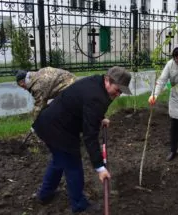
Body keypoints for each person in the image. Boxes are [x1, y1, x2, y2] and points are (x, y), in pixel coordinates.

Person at [32, 67, 132, 213]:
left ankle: (45, 194)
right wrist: (99, 167)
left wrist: (98, 118)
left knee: (59, 160)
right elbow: (90, 135)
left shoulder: (97, 82)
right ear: (108, 80)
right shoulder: (96, 97)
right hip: (57, 128)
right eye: (117, 90)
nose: (118, 94)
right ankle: (79, 205)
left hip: (49, 123)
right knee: (73, 166)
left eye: (121, 92)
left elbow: (87, 108)